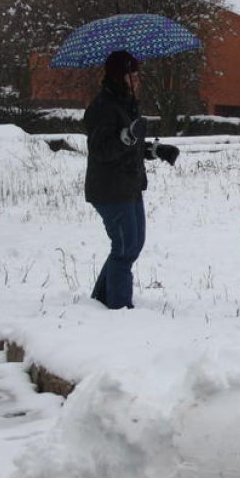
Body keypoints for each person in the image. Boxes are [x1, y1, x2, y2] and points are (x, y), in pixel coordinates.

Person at [85, 50, 179, 310]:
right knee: (125, 248)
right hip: (110, 189)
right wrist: (127, 135)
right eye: (133, 74)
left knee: (132, 246)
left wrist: (156, 150)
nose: (137, 80)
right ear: (120, 75)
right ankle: (118, 307)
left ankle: (101, 299)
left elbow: (131, 145)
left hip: (129, 186)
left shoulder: (126, 103)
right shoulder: (102, 107)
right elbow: (101, 150)